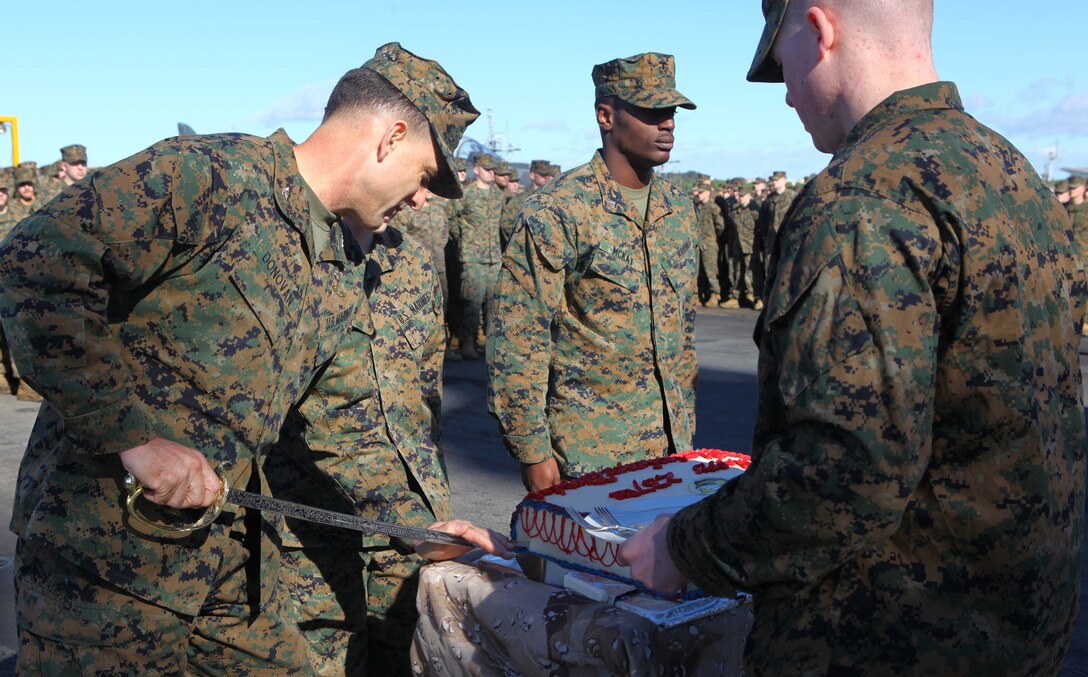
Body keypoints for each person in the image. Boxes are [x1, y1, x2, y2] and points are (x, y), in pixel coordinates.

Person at [0, 42, 509, 674]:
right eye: (427, 175)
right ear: (391, 137)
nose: (421, 200)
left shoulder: (338, 260)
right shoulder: (210, 177)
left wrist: (418, 530)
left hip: (228, 564)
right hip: (102, 562)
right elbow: (36, 262)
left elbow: (346, 423)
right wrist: (131, 436)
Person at [620, 2, 1086, 674]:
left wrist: (685, 547)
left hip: (889, 639)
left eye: (782, 63)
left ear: (821, 28)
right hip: (1022, 627)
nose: (784, 93)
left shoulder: (862, 197)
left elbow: (844, 469)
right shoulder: (1010, 172)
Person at [487, 52, 699, 491]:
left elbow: (684, 332)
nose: (668, 124)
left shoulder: (679, 210)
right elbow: (519, 338)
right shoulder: (558, 210)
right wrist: (533, 451)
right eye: (651, 112)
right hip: (587, 456)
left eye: (671, 113)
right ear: (606, 115)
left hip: (670, 447)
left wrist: (685, 426)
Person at [265, 221, 451, 675]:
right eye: (423, 178)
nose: (421, 200)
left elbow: (427, 396)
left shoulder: (412, 260)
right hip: (310, 529)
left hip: (407, 535)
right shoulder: (288, 255)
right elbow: (325, 420)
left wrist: (433, 503)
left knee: (407, 661)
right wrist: (420, 525)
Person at [450, 152, 504, 360]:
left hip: (494, 257)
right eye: (487, 169)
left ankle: (490, 344)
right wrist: (465, 240)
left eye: (493, 170)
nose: (491, 173)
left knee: (493, 304)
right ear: (477, 169)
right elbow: (452, 220)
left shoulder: (497, 195)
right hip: (472, 257)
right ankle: (467, 343)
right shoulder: (466, 194)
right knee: (471, 303)